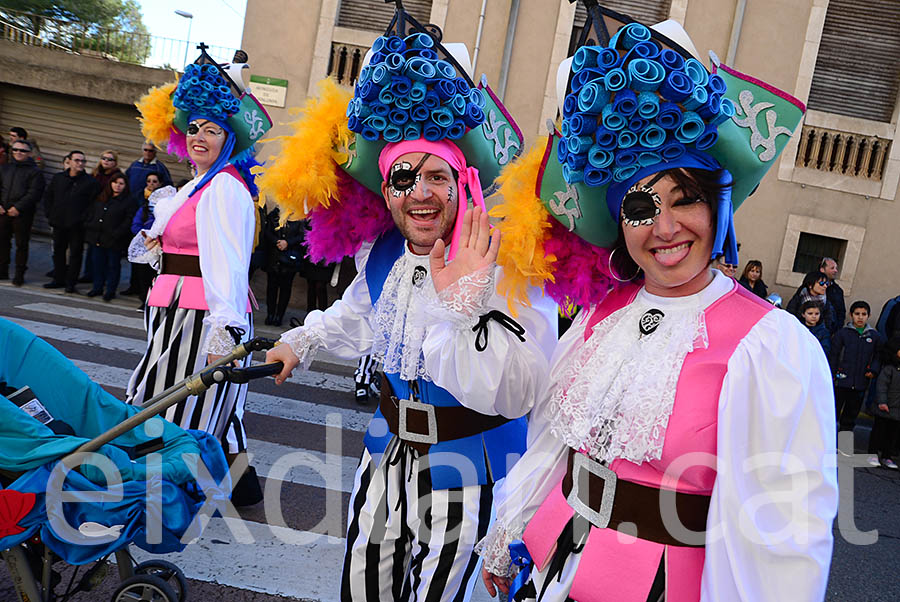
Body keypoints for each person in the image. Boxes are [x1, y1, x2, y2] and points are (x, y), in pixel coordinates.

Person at [477, 13, 836, 601]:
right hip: (552, 573)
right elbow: (556, 442)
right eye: (642, 208)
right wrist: (509, 529)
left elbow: (779, 538)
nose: (665, 228)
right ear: (621, 222)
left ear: (716, 207)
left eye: (685, 199)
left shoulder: (772, 346)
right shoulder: (601, 313)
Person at [260, 21, 556, 600]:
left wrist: (465, 303)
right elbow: (354, 315)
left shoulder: (506, 260)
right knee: (363, 587)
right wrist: (299, 342)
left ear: (462, 185)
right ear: (387, 190)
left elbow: (526, 388)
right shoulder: (385, 252)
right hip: (386, 456)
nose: (420, 192)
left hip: (470, 473)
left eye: (437, 177)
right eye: (403, 177)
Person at [126, 48, 272, 506]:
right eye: (193, 128)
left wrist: (224, 329)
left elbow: (227, 262)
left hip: (200, 313)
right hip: (175, 308)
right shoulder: (198, 183)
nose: (199, 137)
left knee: (171, 403)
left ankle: (164, 501)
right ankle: (239, 487)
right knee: (213, 406)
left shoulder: (225, 186)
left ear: (229, 139)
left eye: (211, 130)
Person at [43, 150, 100, 293]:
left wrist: (84, 220)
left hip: (78, 226)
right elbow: (49, 196)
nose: (80, 163)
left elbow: (94, 205)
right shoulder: (59, 178)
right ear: (69, 161)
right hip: (58, 222)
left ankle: (71, 283)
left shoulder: (90, 182)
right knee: (58, 252)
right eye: (77, 160)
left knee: (75, 254)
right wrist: (50, 215)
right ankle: (58, 279)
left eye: (83, 161)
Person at [831, 300, 883, 437]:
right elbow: (834, 355)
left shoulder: (874, 336)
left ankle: (844, 447)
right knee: (832, 414)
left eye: (864, 314)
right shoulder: (842, 334)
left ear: (869, 315)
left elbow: (877, 357)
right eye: (857, 314)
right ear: (851, 315)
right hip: (840, 381)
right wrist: (833, 373)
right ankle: (825, 444)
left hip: (860, 383)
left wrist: (873, 370)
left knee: (850, 417)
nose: (860, 317)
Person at [84, 173, 135, 301]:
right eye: (115, 182)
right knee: (97, 263)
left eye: (121, 183)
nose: (117, 186)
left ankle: (110, 290)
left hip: (114, 239)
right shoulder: (102, 197)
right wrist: (90, 224)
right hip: (97, 237)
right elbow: (92, 212)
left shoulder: (129, 201)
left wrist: (118, 232)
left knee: (113, 265)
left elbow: (128, 220)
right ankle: (97, 287)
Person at [0, 139, 45, 286]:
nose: (19, 153)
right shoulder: (5, 168)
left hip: (22, 214)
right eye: (16, 150)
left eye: (23, 150)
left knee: (21, 244)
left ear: (30, 153)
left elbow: (34, 193)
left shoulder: (35, 172)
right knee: (2, 242)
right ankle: (2, 271)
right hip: (3, 211)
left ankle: (19, 274)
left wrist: (18, 208)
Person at [82, 149, 125, 284]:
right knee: (91, 250)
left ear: (115, 162)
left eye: (110, 159)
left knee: (108, 256)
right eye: (104, 158)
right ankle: (89, 275)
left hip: (109, 216)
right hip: (94, 215)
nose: (106, 161)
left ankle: (103, 279)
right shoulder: (95, 174)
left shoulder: (117, 178)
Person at [262, 205, 303, 326]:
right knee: (271, 287)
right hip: (274, 257)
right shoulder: (274, 214)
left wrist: (288, 243)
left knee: (285, 288)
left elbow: (302, 236)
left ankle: (279, 315)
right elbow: (267, 232)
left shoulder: (298, 216)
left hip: (289, 258)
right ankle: (270, 314)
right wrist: (277, 242)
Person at [819, 256, 845, 335]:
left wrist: (836, 329)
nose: (836, 271)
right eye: (832, 268)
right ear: (822, 269)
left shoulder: (838, 291)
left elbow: (841, 312)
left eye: (836, 268)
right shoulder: (810, 286)